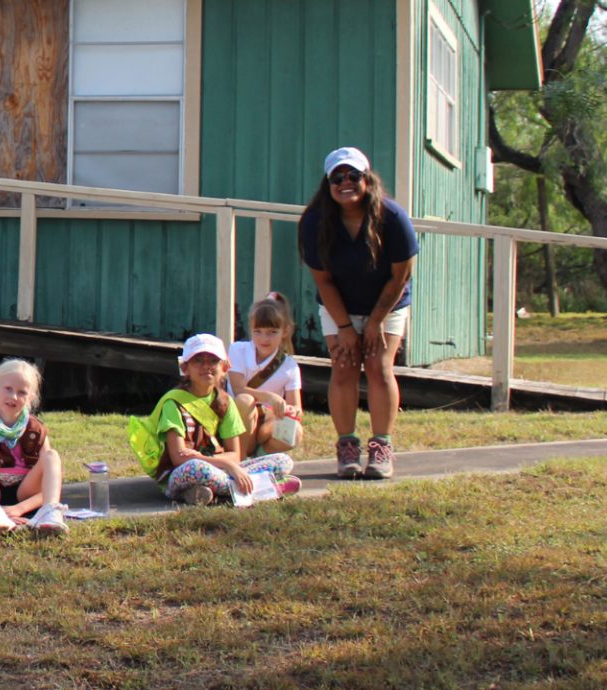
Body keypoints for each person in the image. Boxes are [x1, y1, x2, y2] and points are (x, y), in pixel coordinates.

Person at [299, 146, 419, 479]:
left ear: (367, 179)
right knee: (344, 366)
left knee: (379, 367)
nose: (346, 182)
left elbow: (401, 276)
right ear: (328, 183)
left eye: (353, 175)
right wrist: (345, 327)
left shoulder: (392, 218)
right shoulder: (314, 221)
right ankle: (347, 447)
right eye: (338, 177)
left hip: (387, 302)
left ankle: (381, 447)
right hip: (339, 303)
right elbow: (322, 280)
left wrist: (375, 322)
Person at [135, 335, 302, 506]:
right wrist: (226, 464)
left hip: (222, 470)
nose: (206, 366)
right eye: (198, 360)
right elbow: (180, 458)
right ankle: (259, 487)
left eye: (213, 360)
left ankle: (209, 492)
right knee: (196, 468)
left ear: (225, 367)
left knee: (283, 461)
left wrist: (230, 465)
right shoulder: (173, 403)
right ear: (185, 368)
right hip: (185, 472)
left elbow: (235, 455)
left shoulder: (225, 402)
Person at [0, 358, 68, 541]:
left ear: (30, 398)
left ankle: (50, 513)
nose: (13, 397)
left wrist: (20, 509)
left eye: (21, 392)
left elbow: (48, 485)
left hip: (24, 493)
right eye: (8, 389)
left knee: (52, 456)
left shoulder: (36, 428)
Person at [228, 293, 306, 458]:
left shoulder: (290, 366)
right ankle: (239, 458)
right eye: (258, 331)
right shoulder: (238, 350)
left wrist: (290, 410)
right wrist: (269, 397)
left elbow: (297, 407)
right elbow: (238, 389)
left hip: (267, 422)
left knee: (295, 431)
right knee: (245, 400)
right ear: (251, 329)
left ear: (285, 331)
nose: (264, 338)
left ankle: (260, 456)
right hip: (236, 422)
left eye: (272, 332)